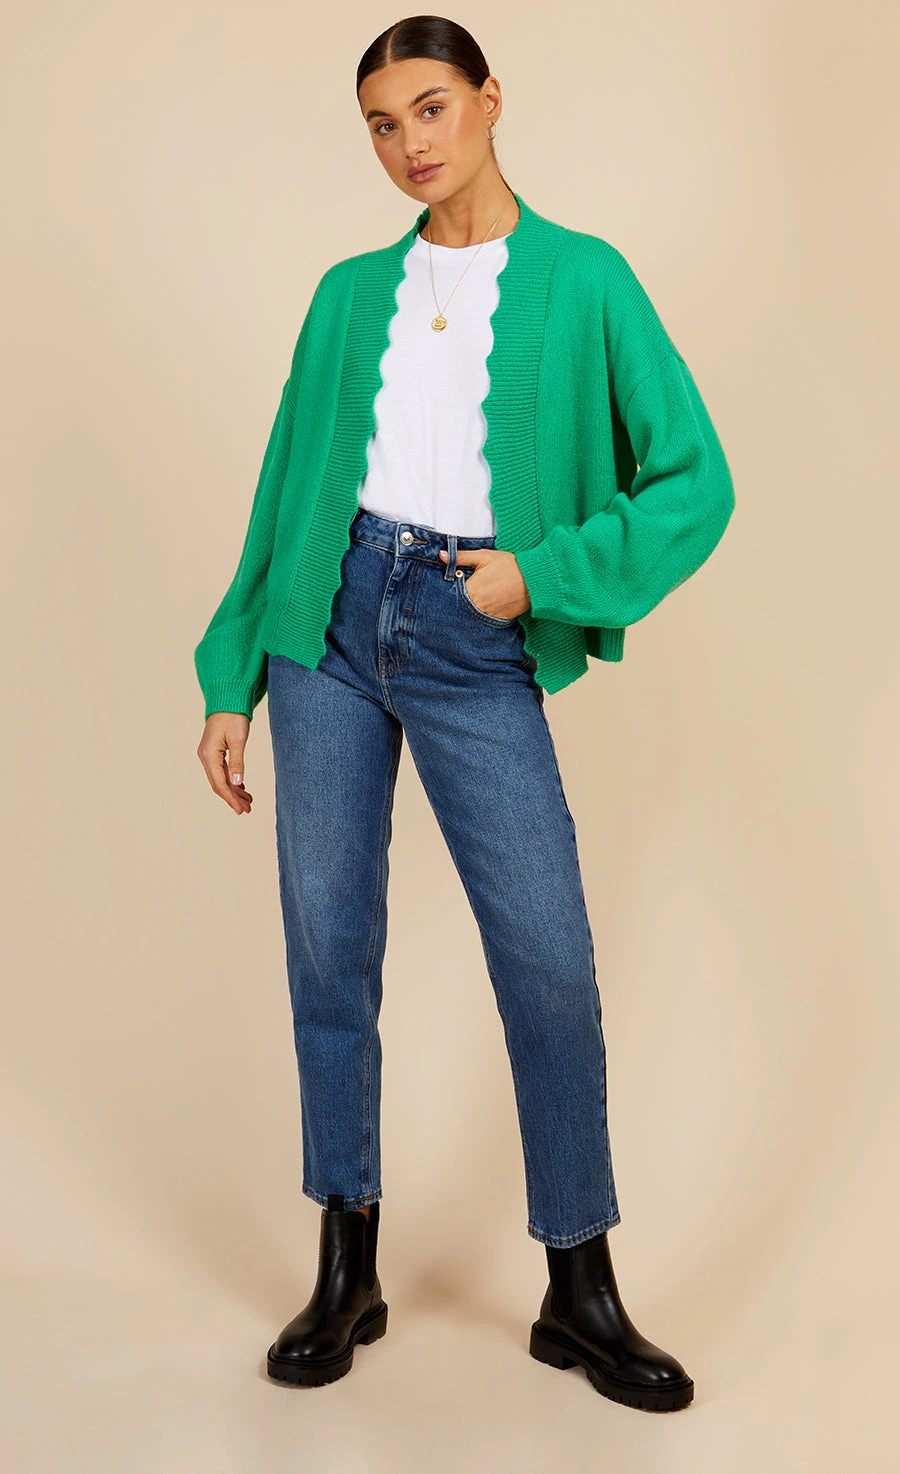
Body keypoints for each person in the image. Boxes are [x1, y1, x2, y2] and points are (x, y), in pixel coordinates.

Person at [194, 15, 734, 1410]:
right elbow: (285, 488)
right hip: (326, 622)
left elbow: (695, 480)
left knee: (545, 953)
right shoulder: (344, 296)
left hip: (469, 629)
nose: (410, 144)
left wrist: (542, 576)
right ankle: (348, 1262)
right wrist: (231, 676)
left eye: (431, 108)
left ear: (491, 99)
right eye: (382, 124)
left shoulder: (584, 279)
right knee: (329, 947)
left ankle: (580, 1285)